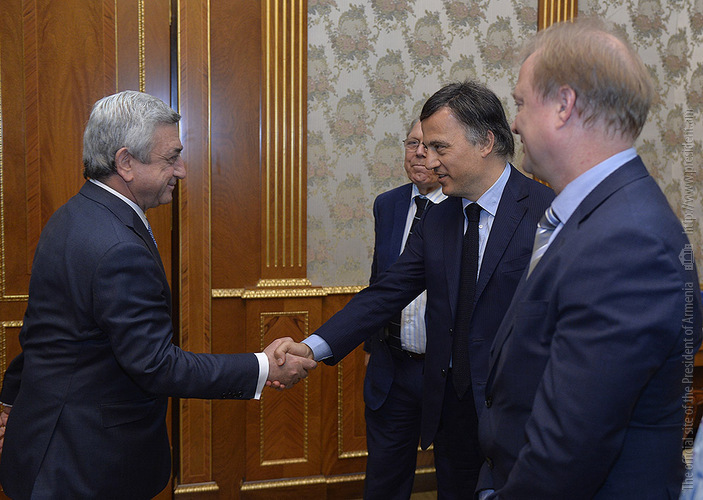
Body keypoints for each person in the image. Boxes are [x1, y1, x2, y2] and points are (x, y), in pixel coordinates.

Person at [0, 90, 316, 499]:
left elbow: (46, 331)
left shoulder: (72, 216)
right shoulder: (117, 246)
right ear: (126, 162)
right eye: (171, 158)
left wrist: (11, 402)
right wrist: (263, 367)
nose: (181, 170)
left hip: (45, 444)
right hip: (86, 464)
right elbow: (155, 365)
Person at [275, 80, 554, 498]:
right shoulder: (438, 217)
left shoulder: (547, 210)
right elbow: (386, 292)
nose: (429, 160)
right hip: (452, 408)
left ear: (485, 142)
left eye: (440, 147)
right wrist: (312, 347)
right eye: (424, 146)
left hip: (522, 409)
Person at [476, 17, 703, 499]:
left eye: (521, 102)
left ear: (564, 105)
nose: (513, 122)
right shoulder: (596, 216)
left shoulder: (629, 243)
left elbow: (568, 451)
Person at [363, 118, 447, 498]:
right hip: (392, 369)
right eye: (412, 143)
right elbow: (379, 281)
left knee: (457, 475)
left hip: (447, 373)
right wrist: (370, 348)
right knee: (385, 480)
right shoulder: (388, 204)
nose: (418, 153)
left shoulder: (465, 207)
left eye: (429, 146)